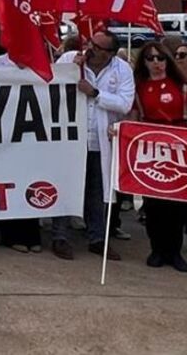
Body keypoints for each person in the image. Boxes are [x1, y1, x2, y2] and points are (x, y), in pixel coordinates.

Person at [132, 41, 187, 272]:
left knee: (177, 202)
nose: (156, 63)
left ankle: (174, 251)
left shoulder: (181, 85)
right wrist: (119, 129)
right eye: (150, 58)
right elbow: (133, 117)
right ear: (144, 62)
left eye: (160, 58)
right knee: (152, 203)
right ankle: (157, 249)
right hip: (151, 144)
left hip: (178, 144)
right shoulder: (139, 87)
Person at [46, 30, 134, 261]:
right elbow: (50, 85)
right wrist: (70, 70)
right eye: (91, 43)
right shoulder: (70, 59)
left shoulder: (122, 69)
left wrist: (95, 93)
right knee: (66, 186)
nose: (91, 49)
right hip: (71, 137)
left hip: (99, 139)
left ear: (110, 53)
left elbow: (124, 103)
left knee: (97, 192)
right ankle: (60, 237)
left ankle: (97, 238)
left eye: (98, 47)